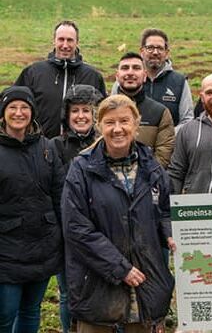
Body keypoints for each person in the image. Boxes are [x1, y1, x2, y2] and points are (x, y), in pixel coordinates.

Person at [61, 95, 175, 333]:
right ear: (99, 125)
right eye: (110, 122)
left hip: (146, 286)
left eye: (124, 121)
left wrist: (170, 232)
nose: (118, 129)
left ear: (136, 123)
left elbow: (164, 209)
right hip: (97, 289)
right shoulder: (81, 169)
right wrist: (120, 268)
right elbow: (77, 229)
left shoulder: (151, 167)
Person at [0, 86, 64, 333]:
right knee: (5, 314)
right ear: (3, 113)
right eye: (12, 107)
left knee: (31, 311)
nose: (19, 113)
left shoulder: (46, 147)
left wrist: (61, 235)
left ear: (32, 112)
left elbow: (59, 194)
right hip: (7, 250)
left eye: (24, 107)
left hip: (43, 247)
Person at [51, 84, 102, 333]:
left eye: (86, 110)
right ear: (67, 115)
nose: (81, 116)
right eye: (75, 111)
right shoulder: (55, 147)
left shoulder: (105, 145)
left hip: (101, 231)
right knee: (67, 292)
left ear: (95, 115)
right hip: (66, 232)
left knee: (99, 288)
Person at [15, 20, 106, 138]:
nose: (65, 45)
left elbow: (103, 114)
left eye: (70, 40)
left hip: (81, 150)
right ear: (54, 41)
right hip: (40, 147)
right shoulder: (33, 72)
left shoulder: (93, 76)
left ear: (77, 42)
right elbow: (14, 104)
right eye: (61, 39)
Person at [112, 28, 193, 129]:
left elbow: (187, 120)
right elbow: (111, 114)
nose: (155, 52)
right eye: (150, 48)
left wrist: (165, 138)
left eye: (160, 48)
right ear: (142, 51)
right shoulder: (124, 81)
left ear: (167, 53)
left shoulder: (180, 82)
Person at [115, 52, 175, 168]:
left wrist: (143, 178)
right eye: (125, 68)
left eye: (136, 68)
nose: (130, 72)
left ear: (144, 76)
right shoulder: (103, 111)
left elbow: (163, 154)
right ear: (117, 76)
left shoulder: (160, 112)